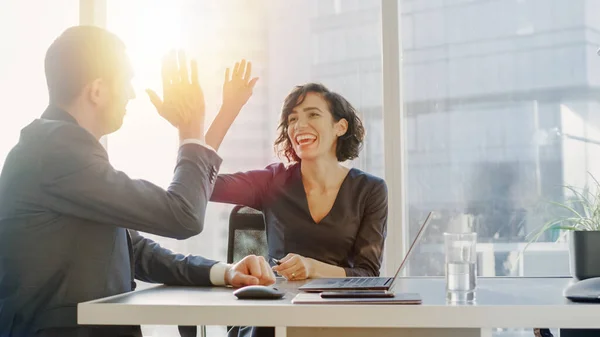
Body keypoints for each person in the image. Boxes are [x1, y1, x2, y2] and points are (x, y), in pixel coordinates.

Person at [0, 25, 273, 337]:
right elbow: (182, 216)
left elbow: (134, 249)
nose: (131, 93)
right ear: (98, 90)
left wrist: (224, 272)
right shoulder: (55, 150)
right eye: (127, 81)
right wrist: (190, 128)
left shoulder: (62, 149)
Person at [207, 82, 389, 337]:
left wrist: (313, 268)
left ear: (340, 126)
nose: (299, 125)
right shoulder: (273, 181)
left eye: (313, 114)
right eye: (292, 119)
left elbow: (368, 275)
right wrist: (227, 112)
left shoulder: (370, 190)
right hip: (276, 317)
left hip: (337, 318)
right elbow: (201, 183)